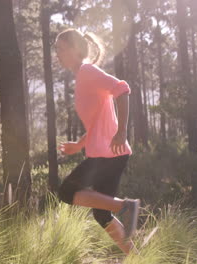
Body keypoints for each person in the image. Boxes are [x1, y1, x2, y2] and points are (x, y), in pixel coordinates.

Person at [55, 28, 140, 255]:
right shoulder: (83, 75)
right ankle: (138, 258)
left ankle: (126, 206)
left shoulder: (87, 71)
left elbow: (122, 89)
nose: (57, 54)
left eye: (61, 49)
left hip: (107, 154)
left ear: (75, 49)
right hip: (110, 153)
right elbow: (97, 124)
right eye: (56, 49)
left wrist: (121, 131)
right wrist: (79, 145)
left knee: (66, 192)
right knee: (101, 215)